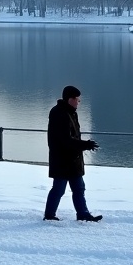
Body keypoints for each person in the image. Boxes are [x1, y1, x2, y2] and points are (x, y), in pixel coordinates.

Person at [43, 85, 102, 222]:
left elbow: (71, 139)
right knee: (59, 189)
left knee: (79, 188)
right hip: (62, 160)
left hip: (72, 159)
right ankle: (49, 215)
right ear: (70, 99)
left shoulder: (70, 112)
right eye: (77, 99)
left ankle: (83, 214)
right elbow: (66, 140)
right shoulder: (59, 113)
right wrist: (85, 145)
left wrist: (83, 145)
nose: (78, 102)